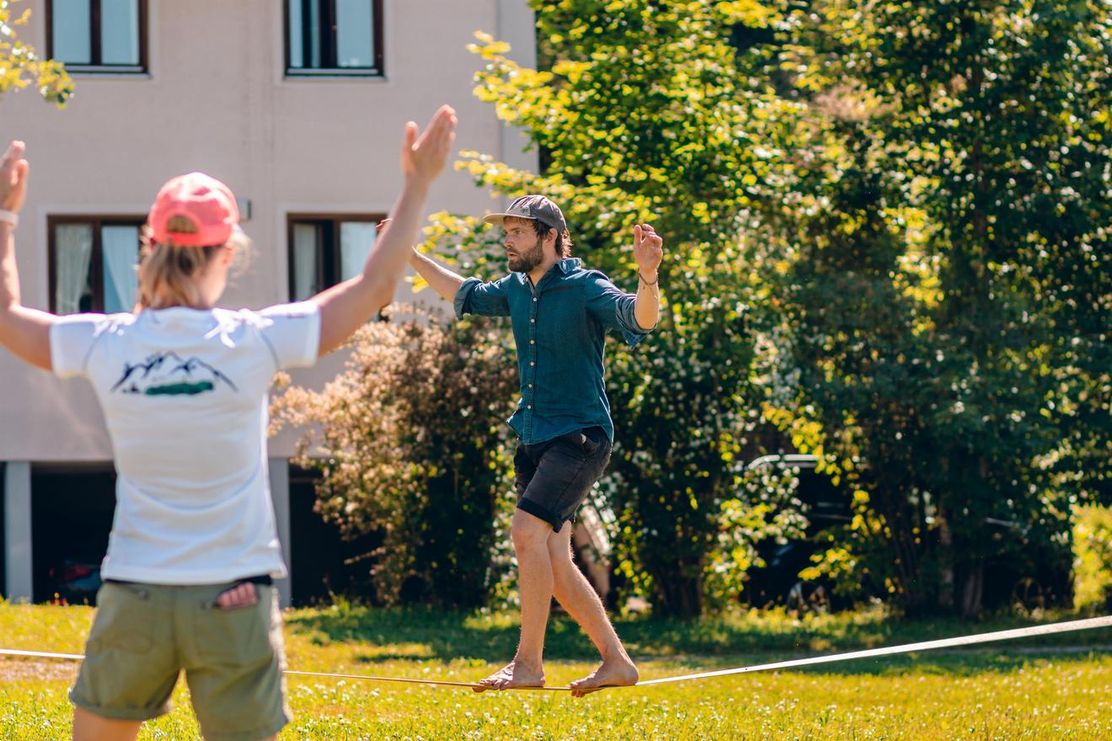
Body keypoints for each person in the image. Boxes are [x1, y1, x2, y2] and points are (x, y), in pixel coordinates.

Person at [0, 104, 455, 741]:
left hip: (136, 591)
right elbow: (376, 287)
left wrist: (5, 216)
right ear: (226, 253)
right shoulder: (255, 338)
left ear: (150, 249)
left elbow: (6, 315)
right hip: (235, 594)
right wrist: (417, 184)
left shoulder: (105, 341)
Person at [408, 194, 664, 695]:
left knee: (526, 532)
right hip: (534, 437)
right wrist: (410, 256)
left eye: (518, 232)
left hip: (580, 436)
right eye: (506, 232)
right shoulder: (517, 289)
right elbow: (464, 292)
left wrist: (648, 276)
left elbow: (640, 318)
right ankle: (617, 662)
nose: (508, 241)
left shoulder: (585, 285)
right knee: (554, 558)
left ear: (549, 237)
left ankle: (528, 664)